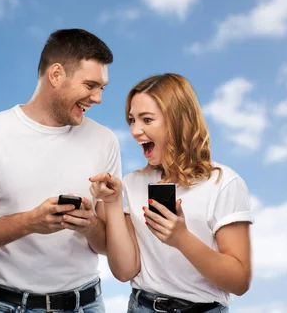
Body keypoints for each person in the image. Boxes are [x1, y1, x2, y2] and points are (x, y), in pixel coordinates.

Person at [0, 28, 122, 313]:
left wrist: (90, 226)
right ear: (56, 75)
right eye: (90, 85)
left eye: (102, 88)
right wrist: (30, 222)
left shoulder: (105, 141)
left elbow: (108, 246)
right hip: (10, 306)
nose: (98, 98)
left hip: (88, 304)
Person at [90, 73, 253, 313]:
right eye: (132, 120)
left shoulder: (224, 183)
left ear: (177, 121)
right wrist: (113, 203)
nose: (135, 130)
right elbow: (125, 271)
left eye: (147, 120)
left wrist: (181, 239)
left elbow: (239, 282)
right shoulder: (134, 183)